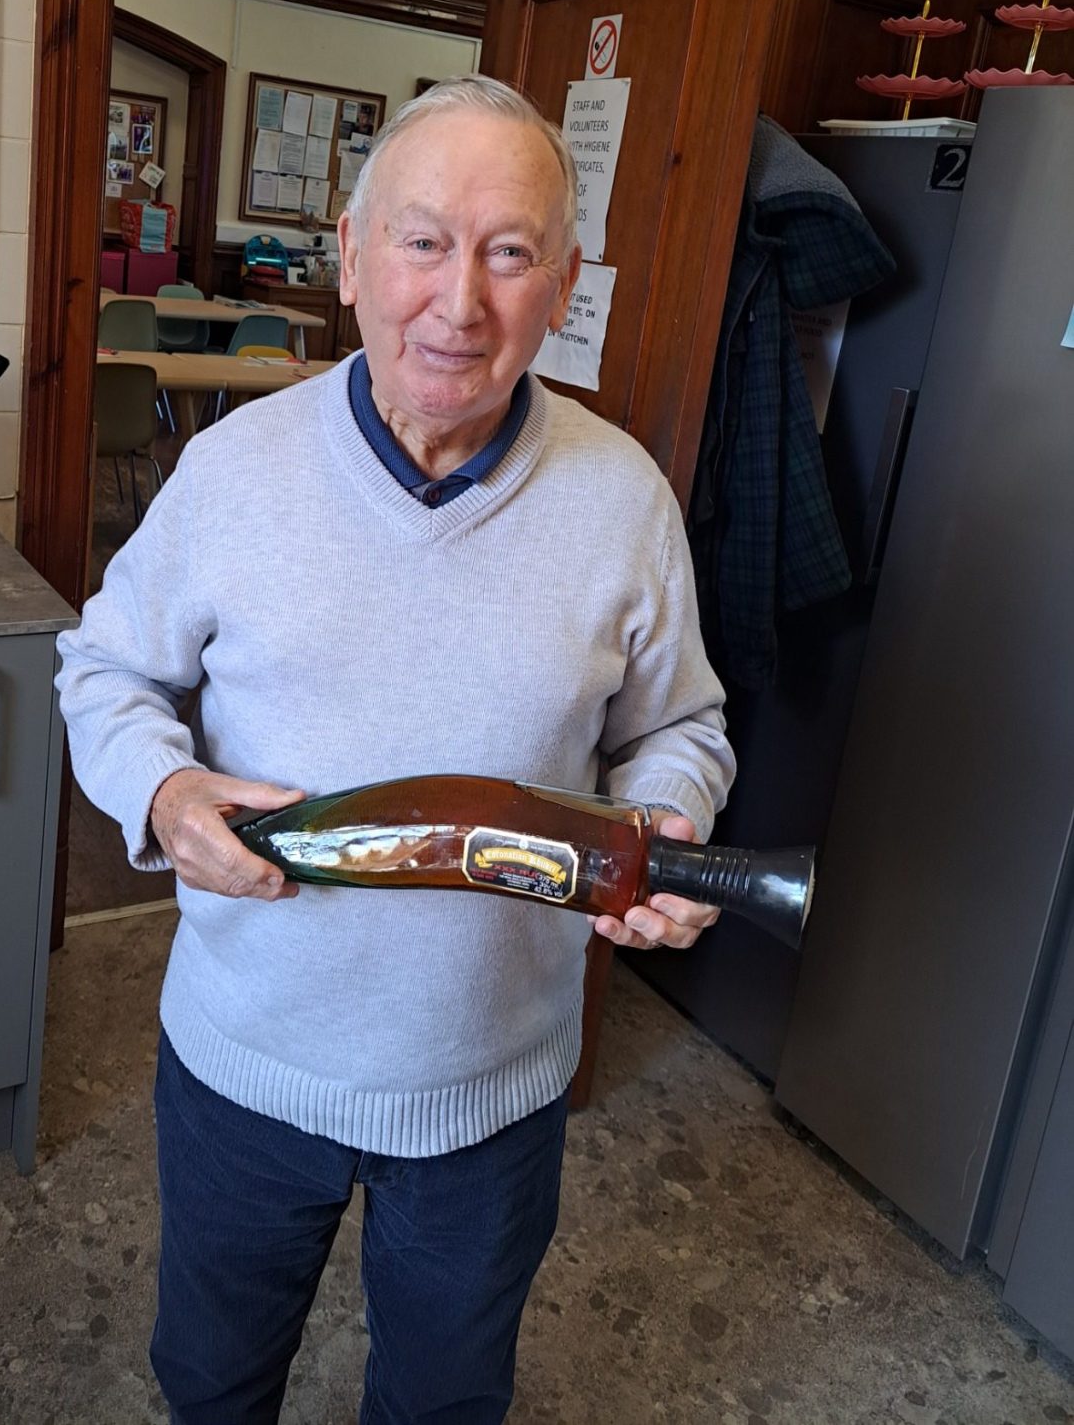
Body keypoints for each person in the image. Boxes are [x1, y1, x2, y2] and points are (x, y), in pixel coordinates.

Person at [56, 75, 735, 1424]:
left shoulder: (622, 499)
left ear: (564, 284)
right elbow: (105, 668)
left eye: (509, 251)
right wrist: (165, 789)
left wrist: (665, 814)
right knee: (211, 1381)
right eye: (422, 241)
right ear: (354, 259)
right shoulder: (235, 471)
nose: (459, 300)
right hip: (245, 1062)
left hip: (491, 1090)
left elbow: (678, 724)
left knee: (442, 1404)